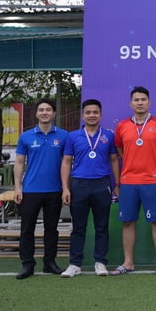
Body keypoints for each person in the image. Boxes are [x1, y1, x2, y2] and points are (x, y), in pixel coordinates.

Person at [111, 86, 156, 275]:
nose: (140, 103)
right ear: (131, 104)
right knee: (128, 222)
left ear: (149, 102)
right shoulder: (122, 126)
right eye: (136, 100)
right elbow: (121, 151)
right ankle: (128, 262)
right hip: (129, 181)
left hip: (153, 180)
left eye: (143, 99)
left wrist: (152, 166)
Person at [60, 99, 120, 278]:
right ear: (82, 115)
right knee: (78, 227)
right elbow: (66, 162)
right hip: (79, 185)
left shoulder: (108, 136)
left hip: (102, 184)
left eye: (95, 112)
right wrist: (65, 188)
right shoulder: (72, 137)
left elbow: (114, 160)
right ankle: (74, 264)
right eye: (88, 112)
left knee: (102, 226)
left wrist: (117, 184)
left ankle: (100, 262)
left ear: (101, 115)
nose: (91, 115)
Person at [13, 98, 69, 279]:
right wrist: (17, 187)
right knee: (26, 229)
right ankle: (27, 264)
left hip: (55, 190)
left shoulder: (64, 136)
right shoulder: (26, 136)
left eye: (48, 110)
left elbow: (67, 163)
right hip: (30, 190)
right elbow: (19, 162)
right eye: (41, 110)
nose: (45, 113)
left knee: (51, 229)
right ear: (36, 113)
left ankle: (49, 263)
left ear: (54, 113)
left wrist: (65, 188)